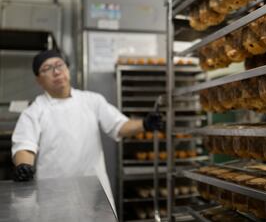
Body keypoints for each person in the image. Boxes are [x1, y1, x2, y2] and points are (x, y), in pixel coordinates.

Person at [11, 49, 163, 211]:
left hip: (94, 191)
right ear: (38, 80)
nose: (56, 72)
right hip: (54, 194)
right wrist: (24, 166)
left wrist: (144, 124)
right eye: (46, 69)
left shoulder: (92, 100)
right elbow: (24, 146)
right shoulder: (34, 111)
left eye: (59, 65)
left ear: (67, 69)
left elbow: (119, 126)